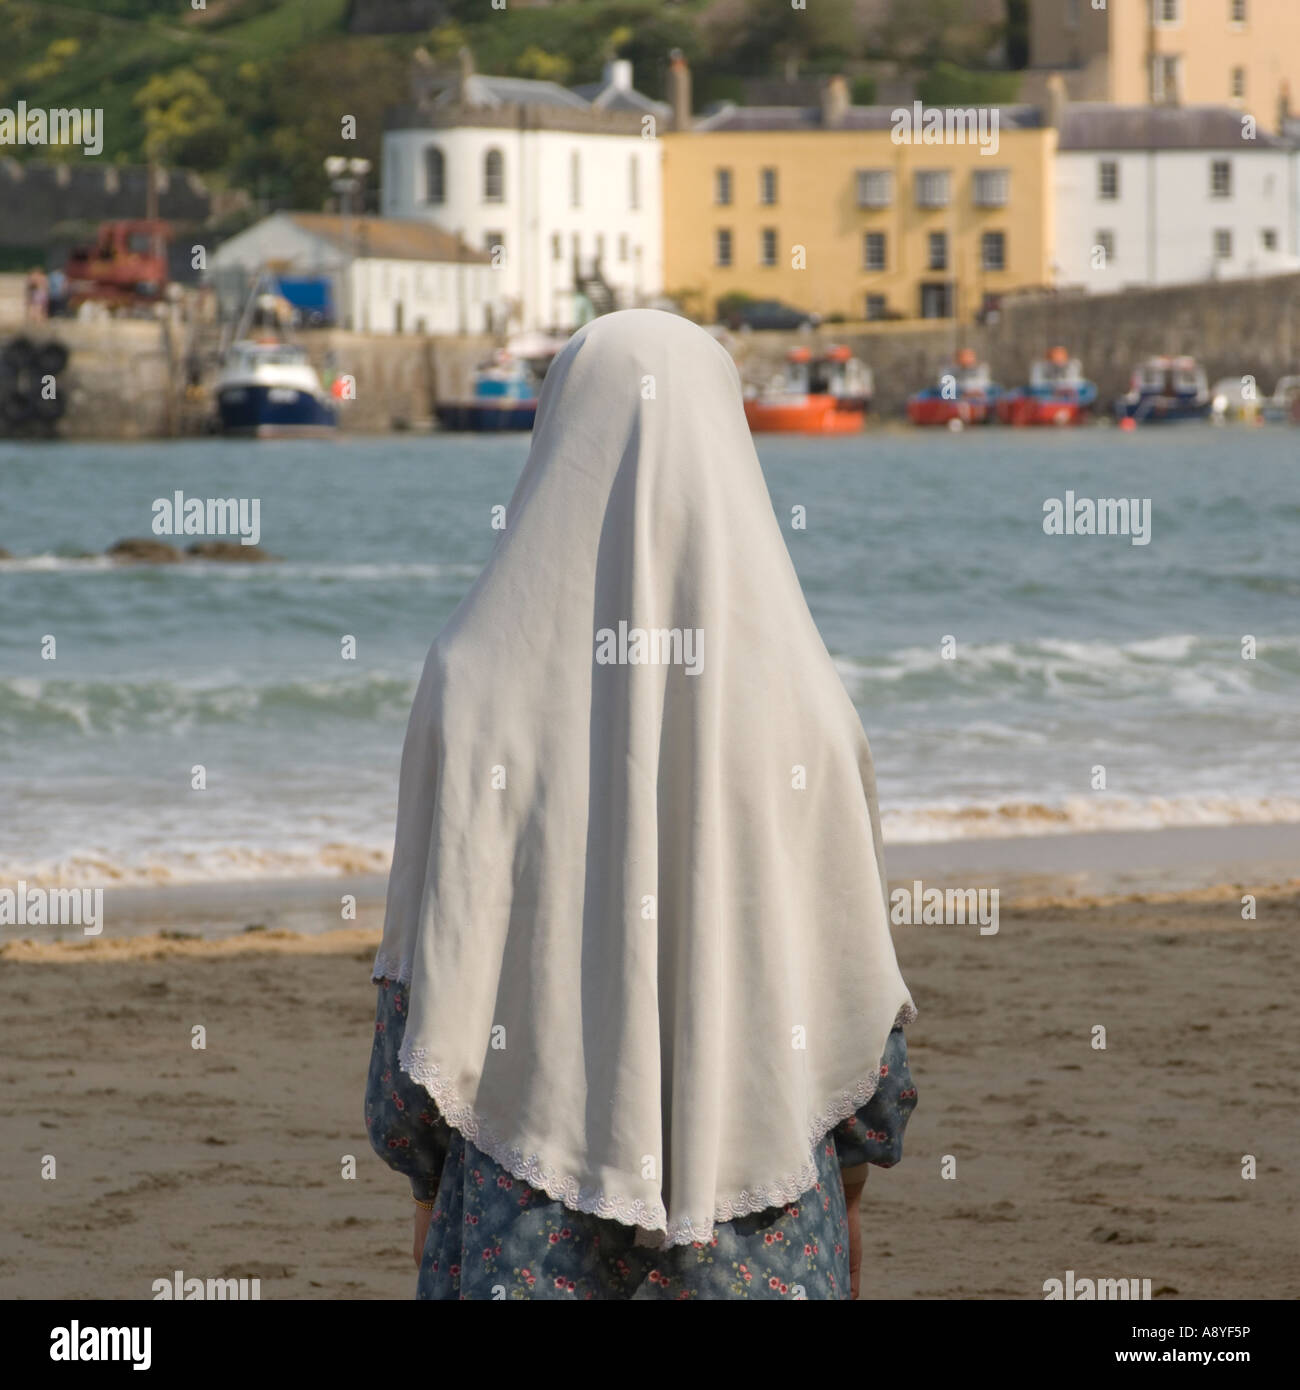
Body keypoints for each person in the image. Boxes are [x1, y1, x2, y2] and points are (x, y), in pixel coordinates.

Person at [365, 309, 917, 1300]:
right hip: (763, 1228)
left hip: (519, 1223)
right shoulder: (807, 703)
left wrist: (419, 1172)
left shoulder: (469, 679)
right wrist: (853, 1181)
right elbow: (857, 1003)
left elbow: (421, 975)